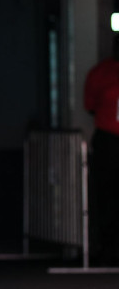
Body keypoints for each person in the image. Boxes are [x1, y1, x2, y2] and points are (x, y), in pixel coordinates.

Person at [84, 33, 119, 267]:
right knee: (106, 197)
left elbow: (90, 106)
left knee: (108, 197)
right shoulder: (101, 72)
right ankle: (107, 249)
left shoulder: (101, 72)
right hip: (109, 140)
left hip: (108, 139)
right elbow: (90, 106)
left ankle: (108, 249)